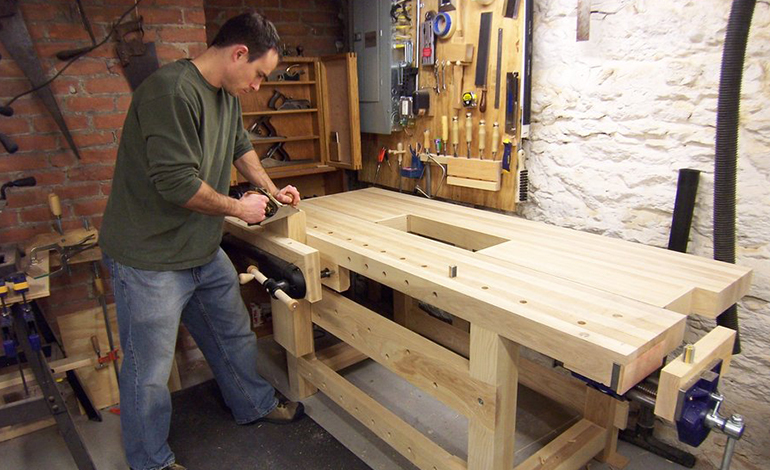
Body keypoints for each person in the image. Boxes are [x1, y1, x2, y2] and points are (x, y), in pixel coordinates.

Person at [99, 11, 303, 470]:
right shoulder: (170, 93)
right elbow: (176, 184)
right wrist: (239, 209)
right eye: (258, 74)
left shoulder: (226, 94)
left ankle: (253, 403)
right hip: (149, 257)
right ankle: (150, 461)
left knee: (233, 334)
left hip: (200, 248)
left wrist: (272, 192)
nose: (257, 86)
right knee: (149, 372)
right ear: (238, 54)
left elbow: (240, 148)